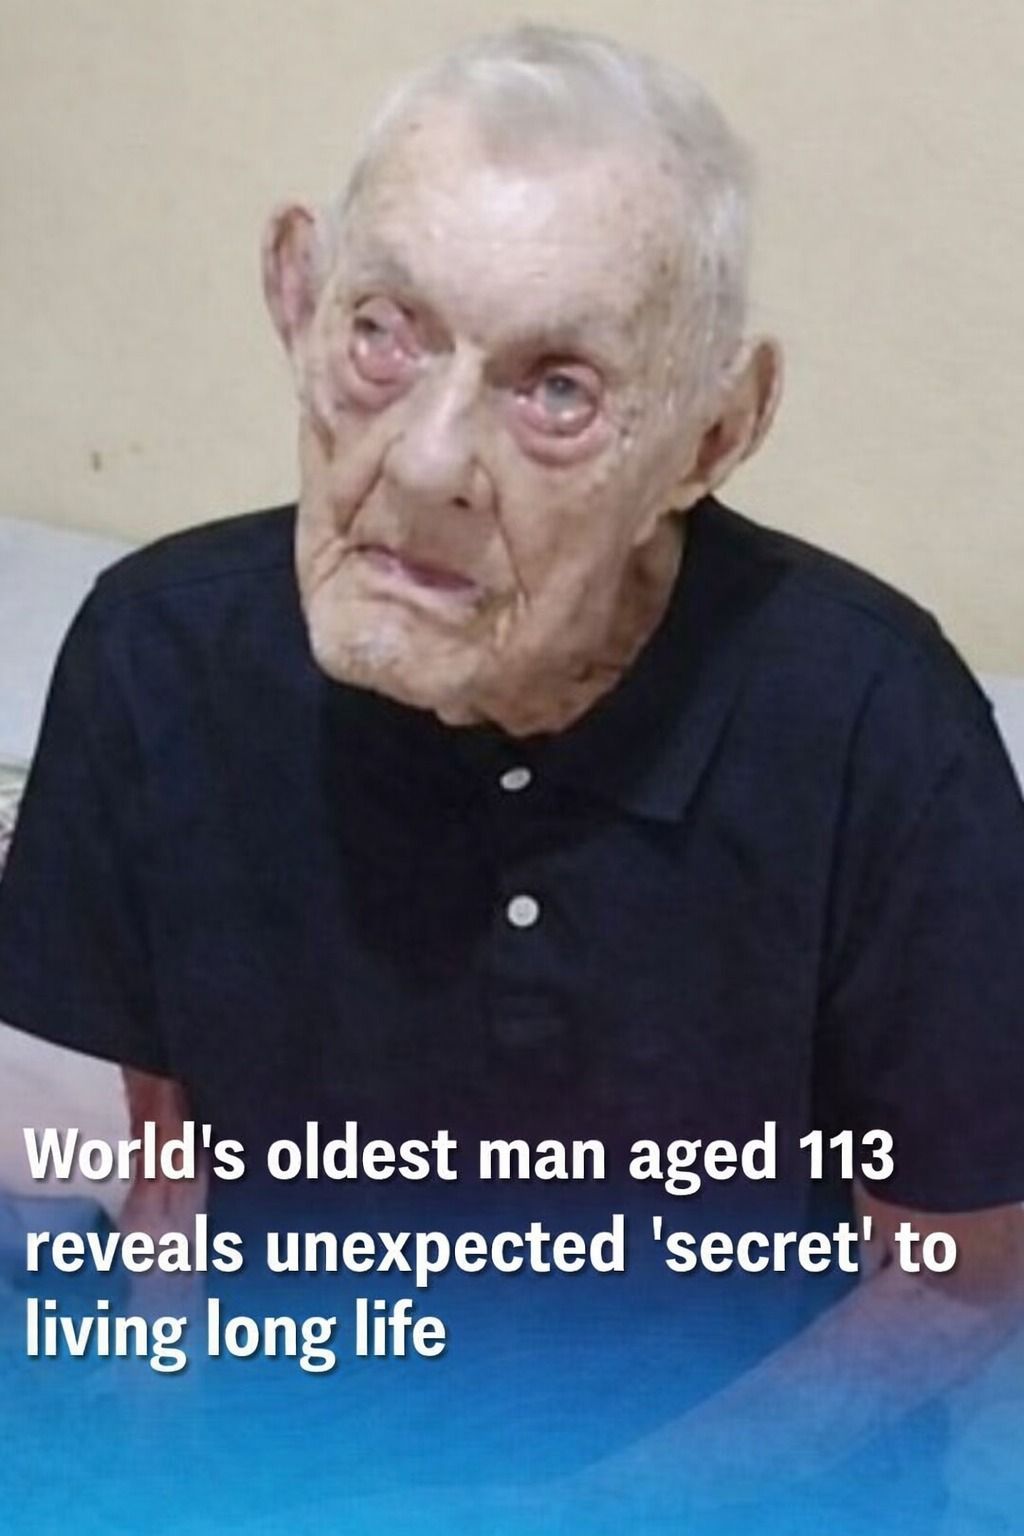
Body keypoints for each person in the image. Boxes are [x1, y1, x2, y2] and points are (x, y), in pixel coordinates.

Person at [1, 24, 1022, 1533]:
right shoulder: (157, 660)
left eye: (557, 389)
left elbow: (964, 1268)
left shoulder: (878, 724)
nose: (424, 466)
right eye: (384, 331)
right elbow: (172, 1146)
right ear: (296, 297)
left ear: (713, 433)